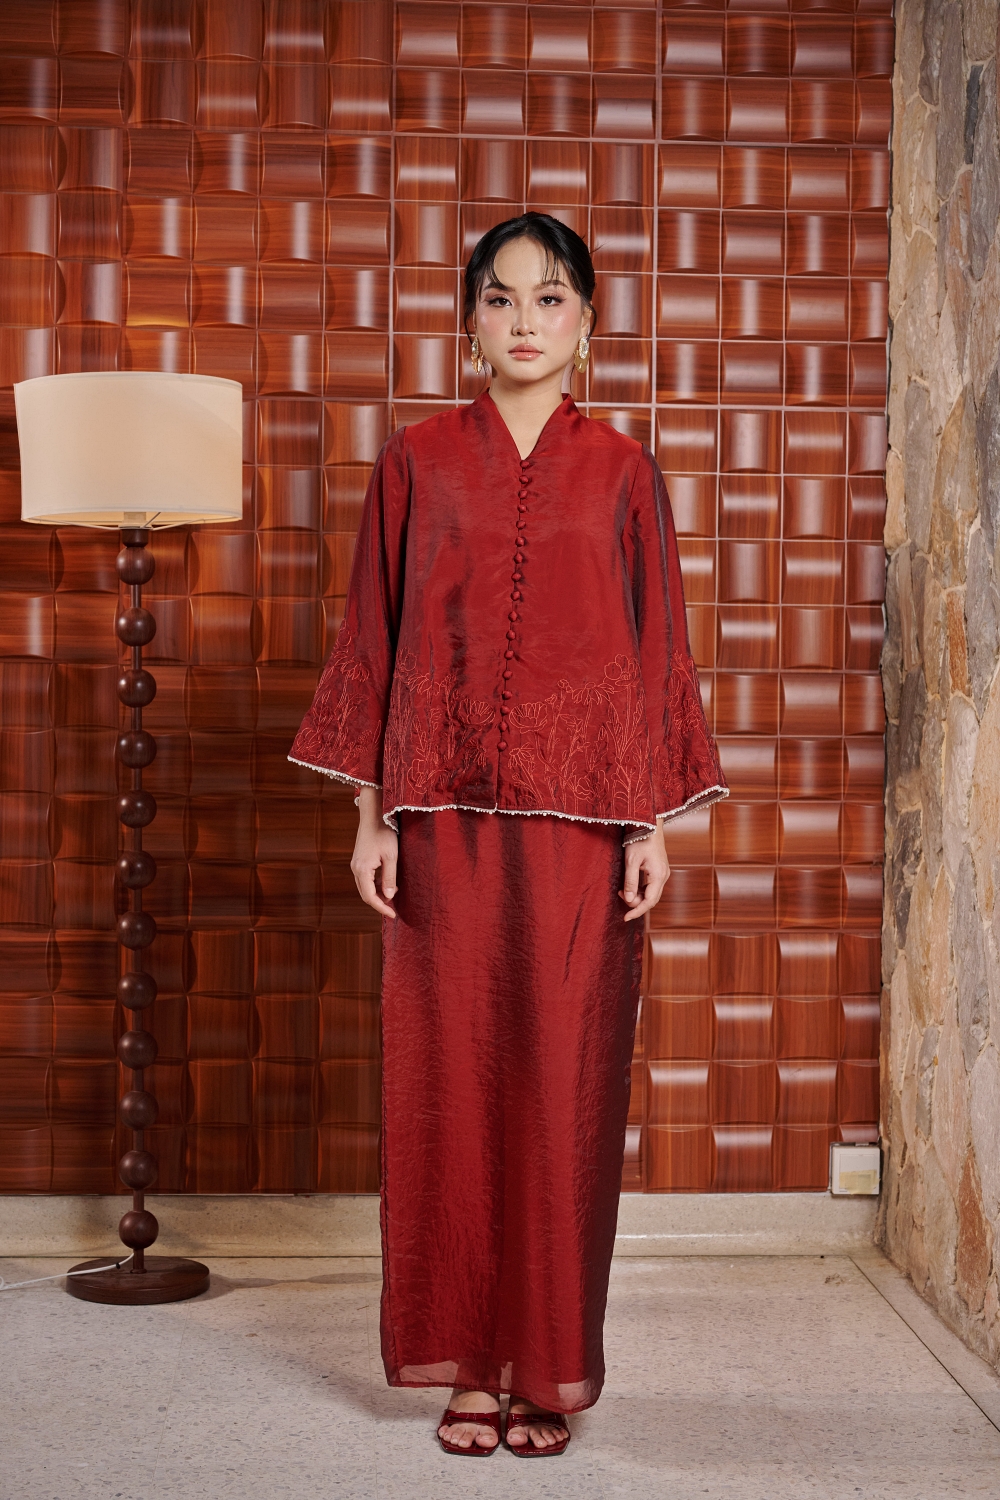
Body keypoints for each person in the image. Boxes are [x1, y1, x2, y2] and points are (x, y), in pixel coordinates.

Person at [290, 213, 727, 1457]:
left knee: (564, 1088)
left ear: (586, 322)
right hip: (438, 822)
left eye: (549, 297)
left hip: (587, 830)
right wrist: (371, 816)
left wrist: (650, 825)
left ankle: (547, 1363)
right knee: (447, 1083)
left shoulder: (626, 473)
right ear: (468, 321)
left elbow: (655, 653)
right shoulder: (416, 463)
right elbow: (373, 639)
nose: (525, 320)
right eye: (499, 297)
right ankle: (469, 1366)